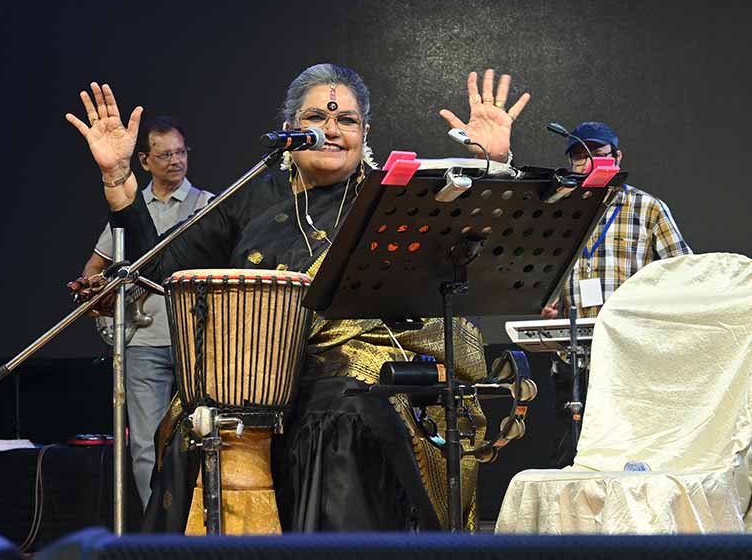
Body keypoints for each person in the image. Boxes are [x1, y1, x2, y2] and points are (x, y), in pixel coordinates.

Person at [65, 65, 530, 531]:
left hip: (362, 378)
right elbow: (158, 264)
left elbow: (477, 251)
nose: (331, 130)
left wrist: (493, 165)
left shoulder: (391, 198)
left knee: (344, 411)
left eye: (346, 120)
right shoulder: (251, 196)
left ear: (365, 132)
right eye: (316, 118)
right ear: (289, 128)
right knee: (191, 421)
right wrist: (118, 176)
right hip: (258, 375)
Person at [540, 121, 692, 468]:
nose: (586, 162)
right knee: (572, 457)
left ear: (617, 157)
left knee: (630, 456)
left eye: (596, 153)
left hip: (631, 353)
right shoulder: (559, 209)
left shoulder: (647, 208)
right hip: (573, 358)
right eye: (578, 156)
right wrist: (546, 303)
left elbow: (684, 274)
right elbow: (543, 274)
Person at [81, 116, 213, 512]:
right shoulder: (130, 208)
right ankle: (157, 524)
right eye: (165, 154)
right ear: (144, 161)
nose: (176, 161)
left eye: (181, 152)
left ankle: (198, 524)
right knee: (144, 442)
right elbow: (94, 269)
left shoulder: (208, 205)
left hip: (197, 343)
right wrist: (104, 308)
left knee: (205, 436)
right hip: (143, 342)